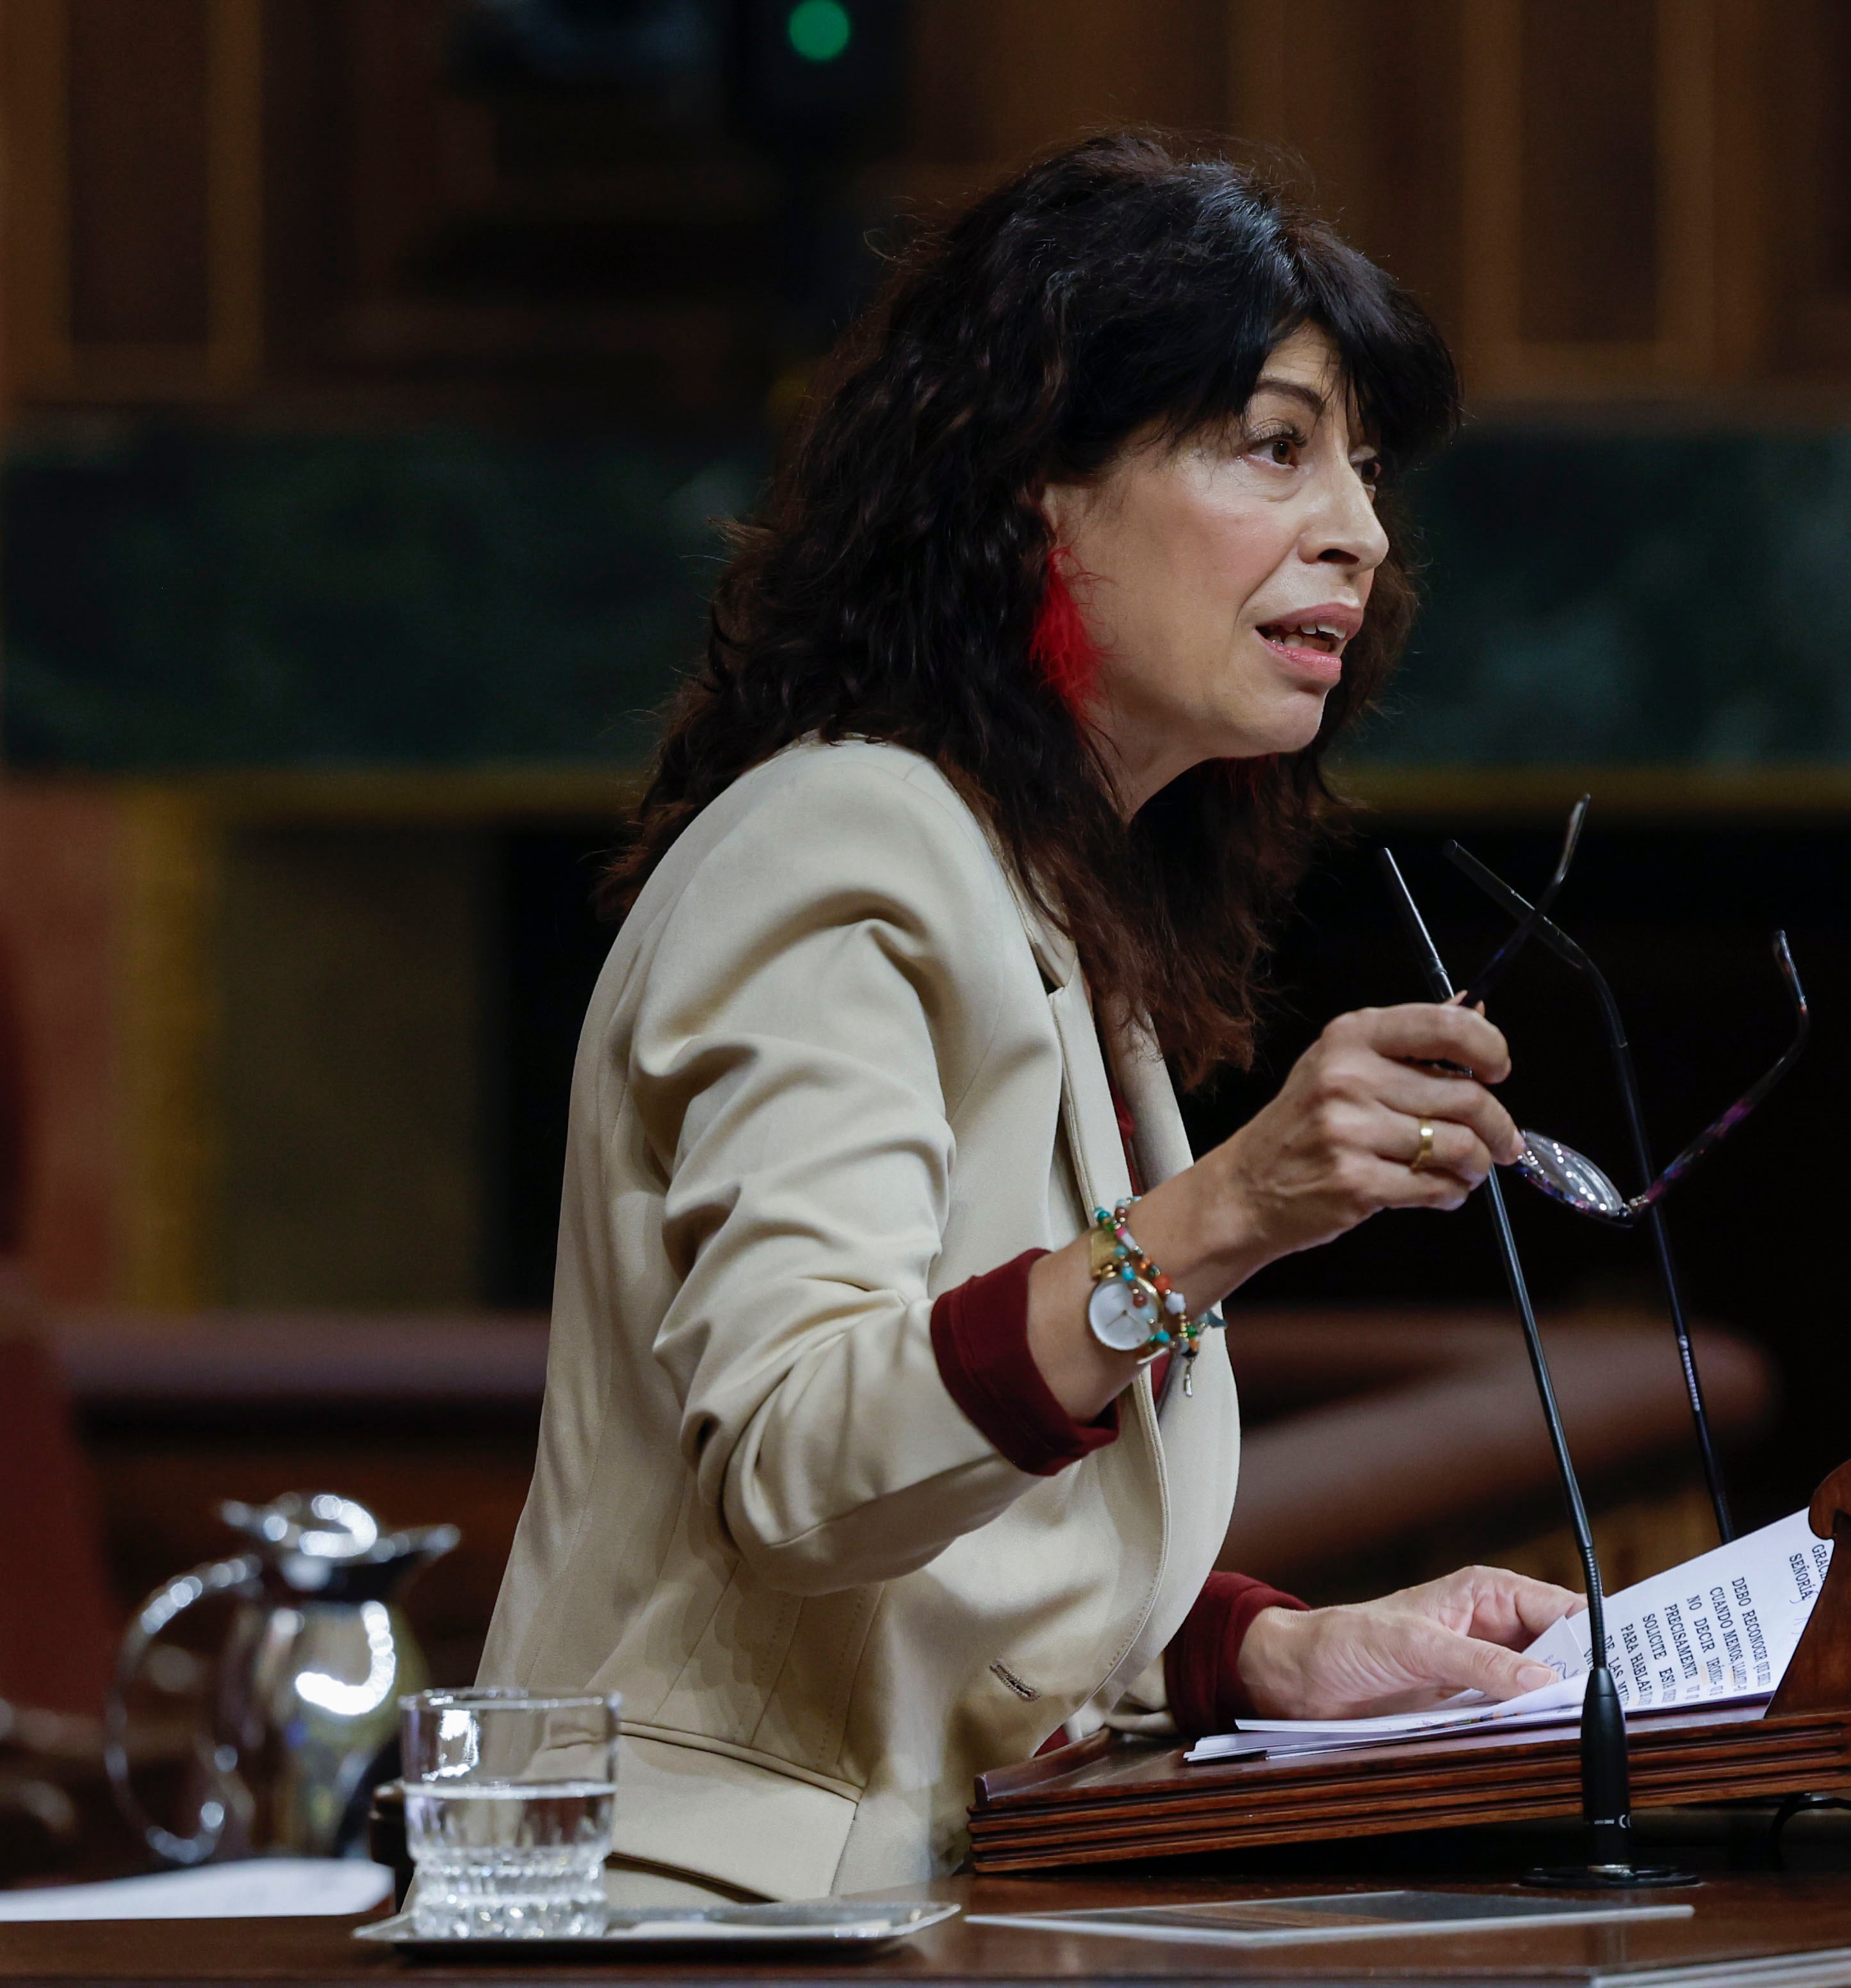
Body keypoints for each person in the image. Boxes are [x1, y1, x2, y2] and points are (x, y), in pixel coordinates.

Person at [477, 134, 1581, 1903]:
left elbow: (952, 1570)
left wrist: (1263, 1659)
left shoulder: (1044, 882)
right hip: (697, 1925)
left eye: (1364, 472)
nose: (1361, 533)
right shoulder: (846, 839)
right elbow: (804, 1466)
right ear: (1031, 493)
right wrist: (1229, 1211)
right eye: (1275, 447)